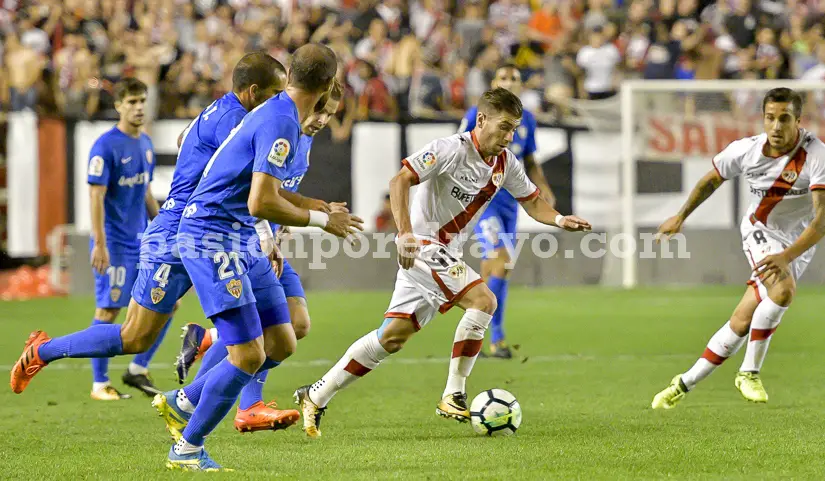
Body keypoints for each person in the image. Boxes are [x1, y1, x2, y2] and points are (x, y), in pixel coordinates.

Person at [294, 88, 591, 438]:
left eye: (514, 130)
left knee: (392, 337)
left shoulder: (506, 163)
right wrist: (404, 234)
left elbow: (532, 201)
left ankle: (315, 394)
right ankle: (454, 394)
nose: (509, 137)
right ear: (481, 120)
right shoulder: (450, 149)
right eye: (504, 127)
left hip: (445, 253)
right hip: (421, 246)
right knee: (484, 301)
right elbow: (399, 180)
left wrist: (559, 220)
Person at [9, 54, 287, 399]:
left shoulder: (223, 111)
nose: (281, 101)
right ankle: (44, 352)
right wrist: (266, 232)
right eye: (276, 92)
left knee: (270, 327)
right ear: (253, 91)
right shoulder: (236, 123)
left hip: (207, 231)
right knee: (134, 337)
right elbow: (245, 186)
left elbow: (185, 139)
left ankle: (215, 401)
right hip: (184, 234)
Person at [161, 43, 360, 471]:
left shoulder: (280, 114)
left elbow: (265, 189)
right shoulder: (282, 121)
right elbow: (259, 202)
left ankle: (184, 401)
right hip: (212, 234)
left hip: (233, 235)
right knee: (249, 355)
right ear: (327, 86)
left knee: (283, 339)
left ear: (291, 74)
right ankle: (188, 447)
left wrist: (317, 205)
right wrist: (322, 223)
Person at [651, 88, 825, 409]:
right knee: (783, 291)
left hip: (797, 243)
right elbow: (710, 180)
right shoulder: (745, 150)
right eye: (770, 118)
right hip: (759, 230)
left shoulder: (816, 156)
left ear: (798, 122)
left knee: (742, 321)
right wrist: (680, 216)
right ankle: (749, 372)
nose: (775, 126)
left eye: (784, 119)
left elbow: (821, 222)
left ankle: (682, 384)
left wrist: (788, 255)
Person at [10, 78, 166, 400]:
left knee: (169, 299)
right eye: (132, 102)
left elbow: (146, 191)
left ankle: (138, 369)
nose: (138, 108)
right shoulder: (105, 146)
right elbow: (96, 197)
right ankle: (99, 384)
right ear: (119, 106)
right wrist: (101, 244)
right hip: (115, 244)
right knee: (109, 311)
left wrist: (162, 226)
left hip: (142, 243)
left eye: (142, 101)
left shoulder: (146, 144)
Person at [459, 64, 555, 358]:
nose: (509, 82)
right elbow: (459, 149)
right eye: (503, 78)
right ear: (493, 83)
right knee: (502, 260)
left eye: (514, 78)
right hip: (482, 200)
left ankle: (477, 332)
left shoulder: (527, 120)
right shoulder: (477, 115)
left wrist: (543, 188)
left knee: (495, 267)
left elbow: (529, 159)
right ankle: (496, 338)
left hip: (509, 202)